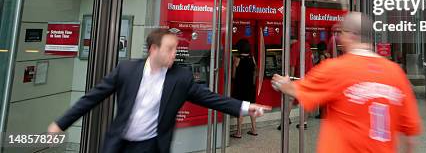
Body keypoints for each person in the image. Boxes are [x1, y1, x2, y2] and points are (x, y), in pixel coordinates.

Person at [47, 28, 270, 153]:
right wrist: (60, 124)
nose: (175, 53)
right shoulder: (126, 70)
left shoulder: (180, 78)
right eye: (170, 49)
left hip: (152, 147)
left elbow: (210, 98)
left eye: (176, 49)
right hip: (119, 146)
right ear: (154, 49)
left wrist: (245, 107)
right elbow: (92, 98)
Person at [272, 12, 421, 153]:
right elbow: (410, 139)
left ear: (352, 35)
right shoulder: (396, 73)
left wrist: (282, 82)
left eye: (341, 32)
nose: (339, 37)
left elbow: (295, 90)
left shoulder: (334, 69)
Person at [231, 38, 258, 138]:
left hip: (240, 87)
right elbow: (256, 71)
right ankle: (254, 129)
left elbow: (233, 75)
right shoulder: (252, 58)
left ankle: (239, 132)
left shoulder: (237, 59)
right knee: (251, 108)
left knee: (240, 109)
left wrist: (234, 65)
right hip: (250, 87)